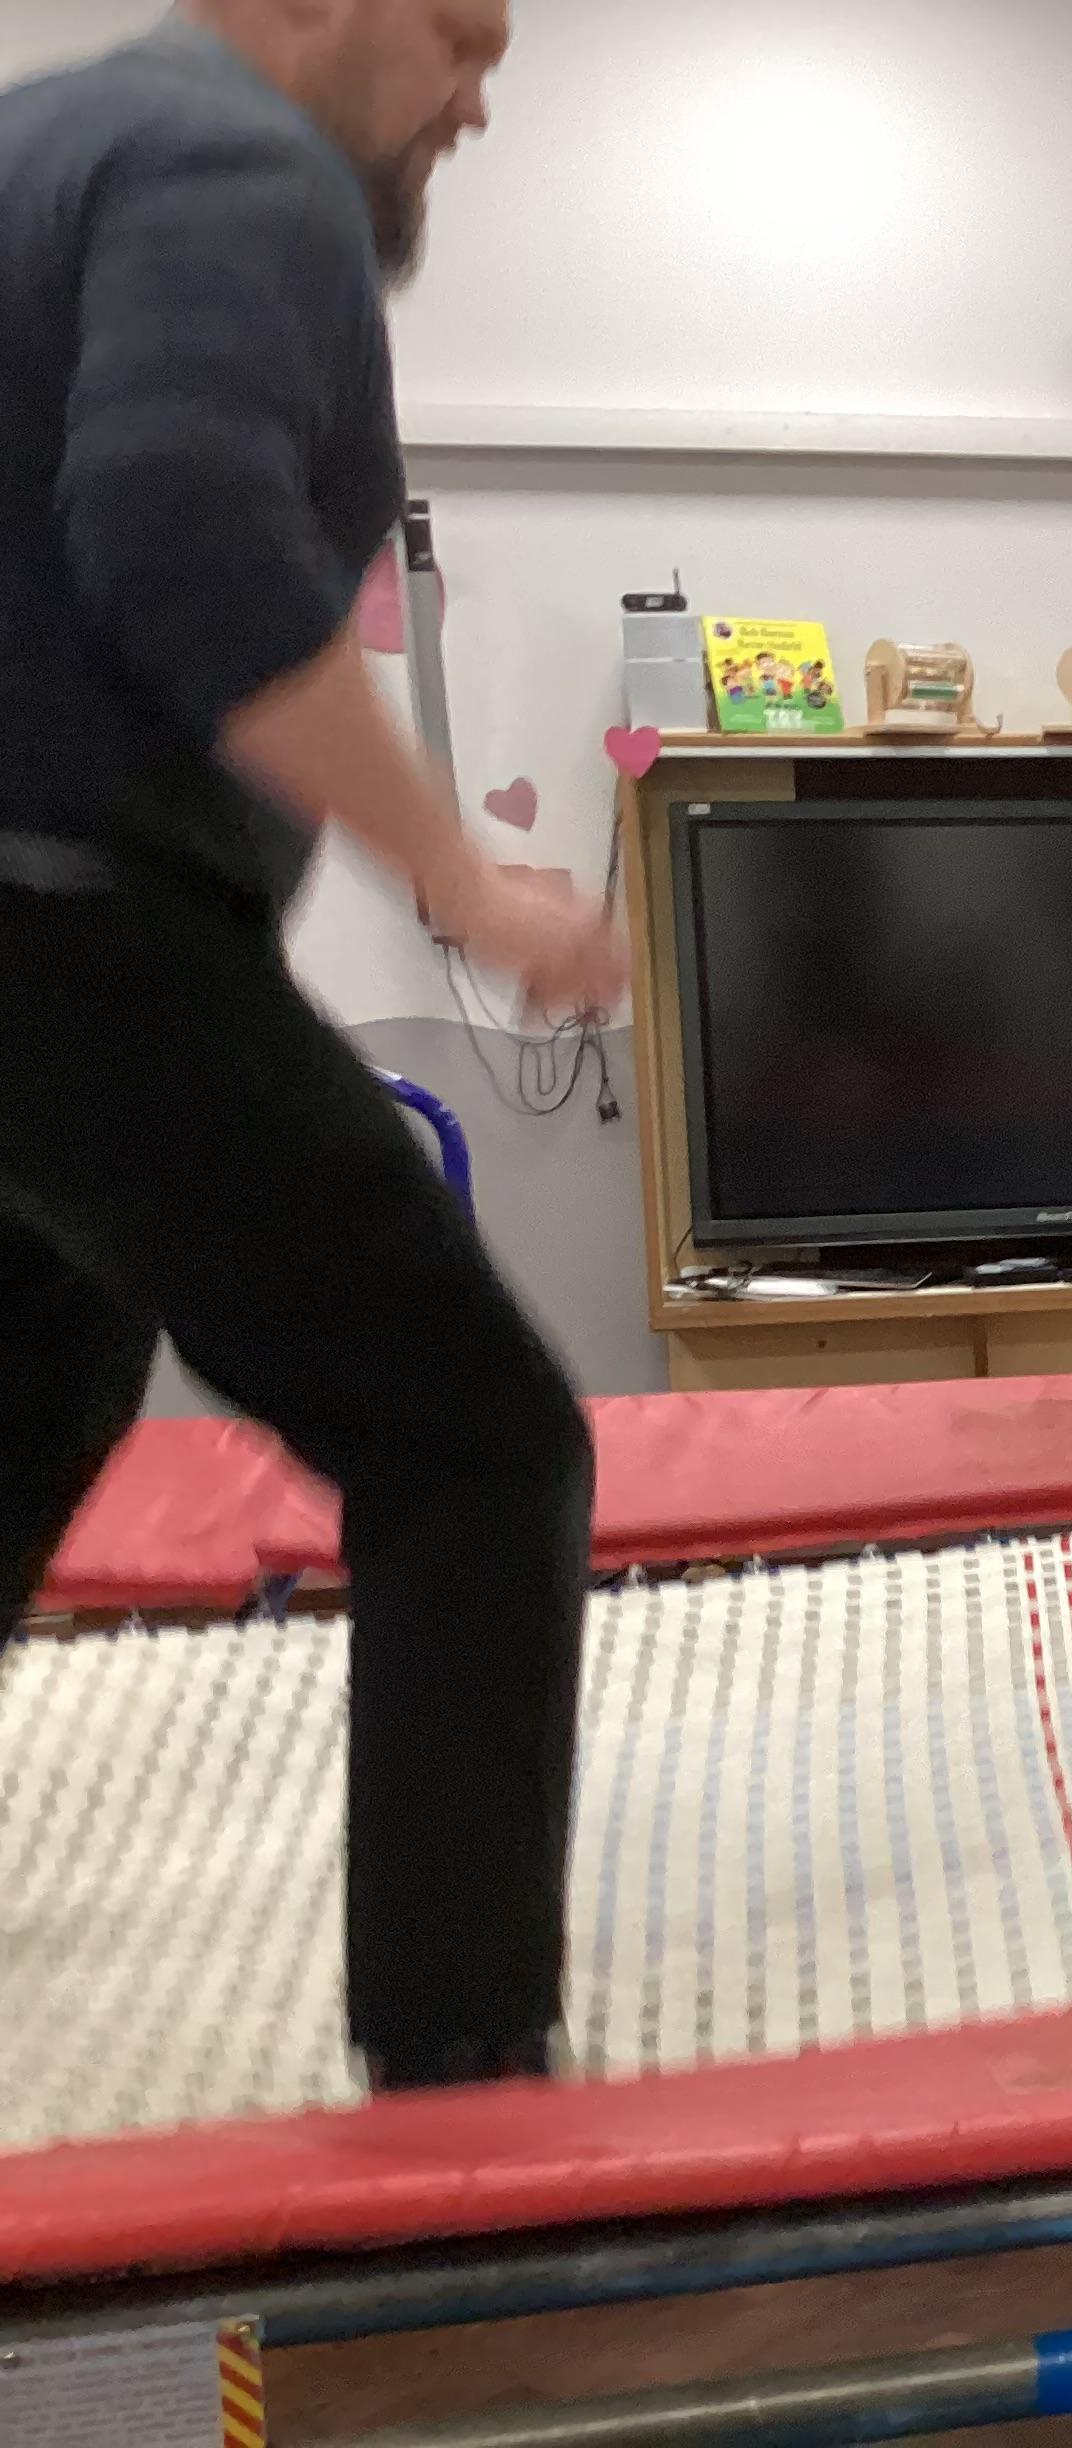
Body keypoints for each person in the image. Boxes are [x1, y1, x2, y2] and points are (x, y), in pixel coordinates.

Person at [0, 0, 625, 2089]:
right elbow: (177, 523)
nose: (480, 100)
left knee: (34, 1382)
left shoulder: (39, 147)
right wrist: (469, 884)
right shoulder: (237, 162)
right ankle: (464, 2094)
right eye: (458, 33)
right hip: (65, 923)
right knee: (475, 1444)